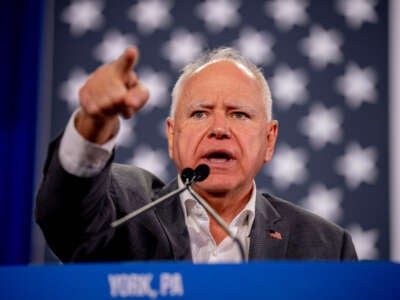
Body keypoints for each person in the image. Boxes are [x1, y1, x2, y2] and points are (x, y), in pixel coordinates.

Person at [35, 46, 357, 263]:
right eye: (200, 113)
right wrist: (93, 124)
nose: (219, 129)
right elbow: (66, 218)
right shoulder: (126, 210)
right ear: (172, 136)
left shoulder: (326, 247)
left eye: (239, 115)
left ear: (269, 140)